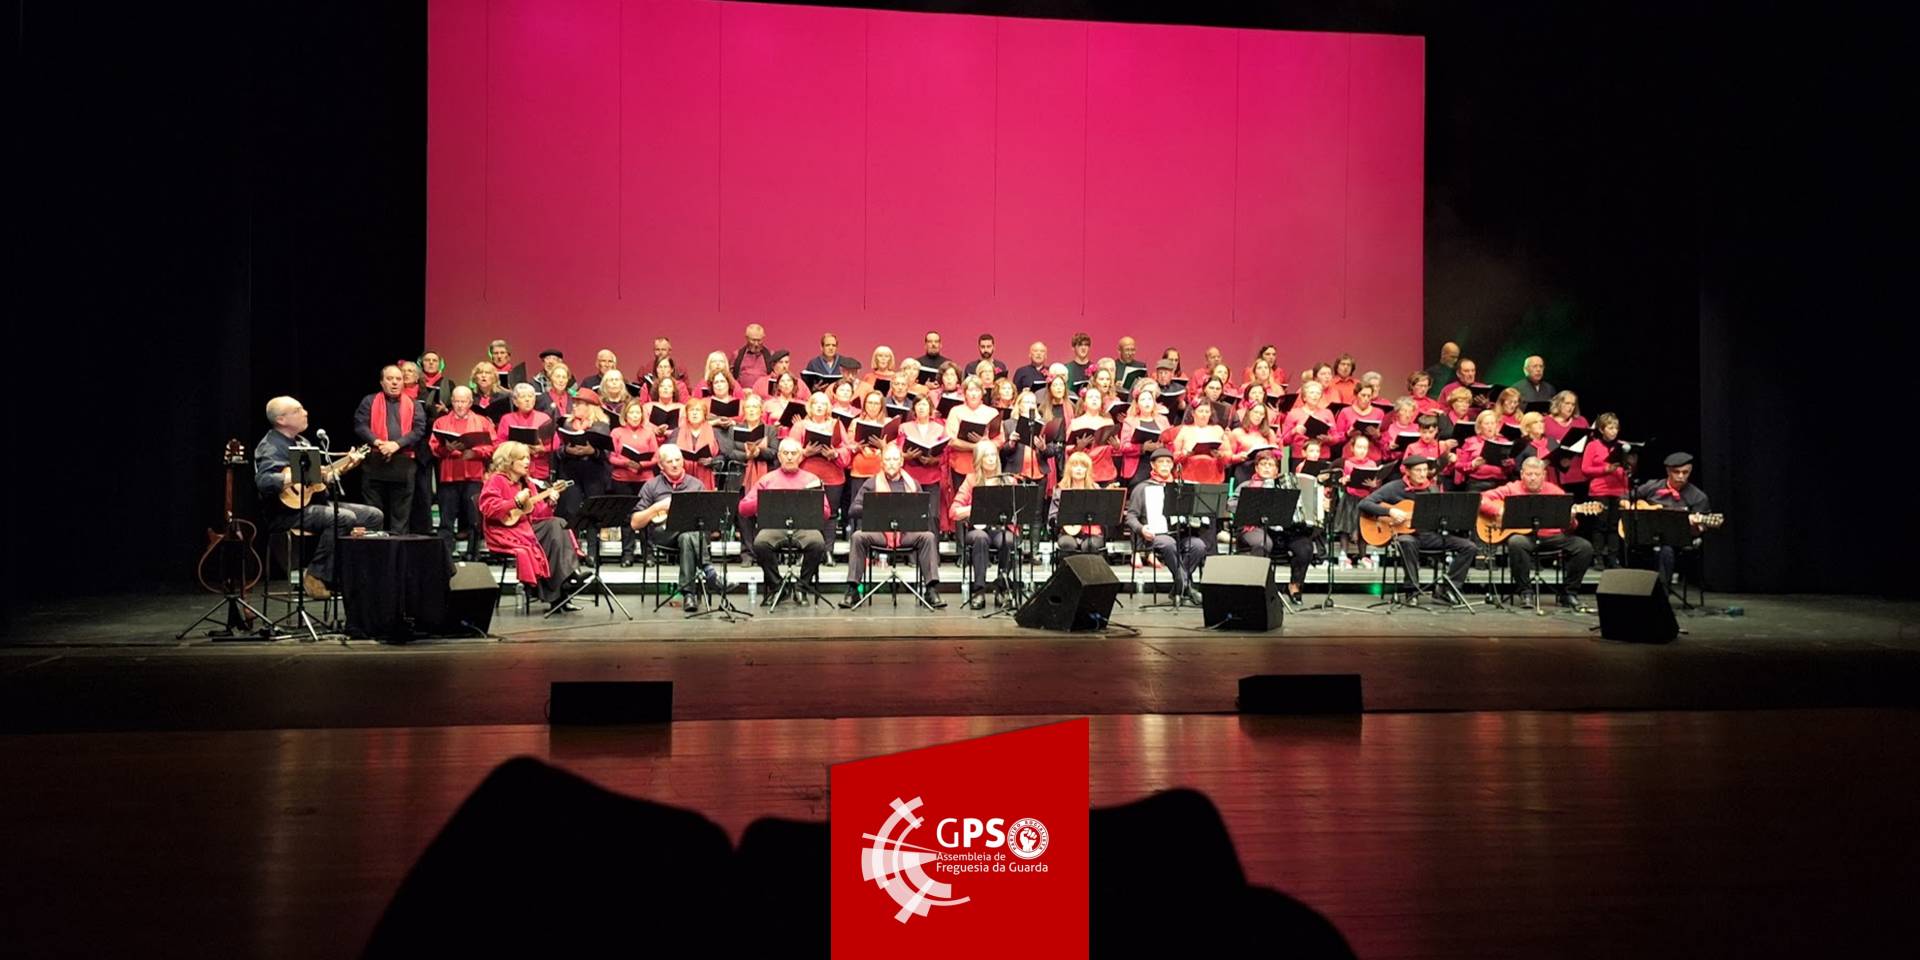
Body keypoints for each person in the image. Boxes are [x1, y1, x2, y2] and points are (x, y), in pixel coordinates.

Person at [253, 396, 380, 599]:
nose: (305, 413)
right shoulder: (271, 446)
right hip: (285, 513)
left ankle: (349, 576)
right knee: (342, 517)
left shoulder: (303, 442)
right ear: (281, 420)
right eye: (298, 410)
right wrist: (299, 474)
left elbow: (318, 481)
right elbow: (265, 481)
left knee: (373, 516)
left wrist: (346, 466)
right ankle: (315, 575)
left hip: (313, 504)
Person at [1479, 457, 1596, 612]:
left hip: (1552, 536)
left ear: (1544, 475)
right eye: (1529, 474)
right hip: (1526, 538)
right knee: (1516, 542)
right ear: (1522, 474)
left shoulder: (1555, 492)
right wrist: (1498, 510)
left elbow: (1569, 528)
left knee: (1584, 547)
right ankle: (1525, 592)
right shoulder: (1511, 488)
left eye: (1537, 474)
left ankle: (1569, 593)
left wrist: (1571, 518)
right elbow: (1481, 498)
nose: (1533, 478)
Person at [1357, 455, 1476, 605]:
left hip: (1429, 535)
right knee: (1407, 542)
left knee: (1469, 547)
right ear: (1407, 471)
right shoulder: (1394, 487)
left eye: (1425, 470)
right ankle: (1411, 590)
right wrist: (1390, 512)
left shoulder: (1432, 489)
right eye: (1418, 470)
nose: (1422, 474)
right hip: (1405, 535)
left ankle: (1447, 588)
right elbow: (1364, 504)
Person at [477, 441, 580, 612]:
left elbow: (539, 515)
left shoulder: (527, 483)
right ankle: (565, 585)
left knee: (558, 523)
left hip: (526, 528)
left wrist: (550, 502)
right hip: (505, 532)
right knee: (554, 530)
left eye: (528, 458)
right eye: (522, 458)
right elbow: (488, 509)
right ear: (509, 461)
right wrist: (515, 502)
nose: (527, 462)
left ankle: (563, 586)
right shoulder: (496, 480)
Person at [842, 443, 944, 608]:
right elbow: (853, 510)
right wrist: (877, 507)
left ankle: (931, 589)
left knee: (929, 537)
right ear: (882, 462)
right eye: (887, 459)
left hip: (906, 534)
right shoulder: (871, 483)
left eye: (895, 459)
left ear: (901, 461)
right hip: (880, 533)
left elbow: (924, 512)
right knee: (857, 537)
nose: (891, 463)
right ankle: (852, 590)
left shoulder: (913, 484)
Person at [626, 444, 724, 614]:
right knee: (688, 532)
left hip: (692, 536)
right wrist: (657, 507)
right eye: (669, 461)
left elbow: (709, 521)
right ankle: (709, 571)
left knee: (687, 536)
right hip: (663, 535)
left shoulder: (696, 485)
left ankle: (688, 595)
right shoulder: (651, 486)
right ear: (660, 465)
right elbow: (635, 523)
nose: (674, 464)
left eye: (678, 460)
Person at [737, 438, 833, 603]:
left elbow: (826, 513)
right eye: (785, 453)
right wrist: (765, 499)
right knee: (760, 543)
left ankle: (802, 587)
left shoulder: (812, 479)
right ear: (779, 457)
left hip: (804, 527)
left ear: (800, 456)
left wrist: (811, 502)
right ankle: (777, 587)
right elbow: (743, 508)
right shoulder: (767, 479)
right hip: (774, 527)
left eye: (794, 453)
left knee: (817, 543)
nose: (789, 457)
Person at [1232, 449, 1318, 603]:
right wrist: (1249, 506)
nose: (1266, 467)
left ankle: (1295, 585)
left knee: (1305, 547)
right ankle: (1262, 588)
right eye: (1263, 464)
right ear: (1256, 468)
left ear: (1276, 469)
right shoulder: (1246, 485)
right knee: (1263, 544)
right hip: (1255, 528)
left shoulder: (1286, 485)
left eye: (1270, 465)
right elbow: (1231, 504)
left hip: (1284, 530)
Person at [1126, 448, 1210, 605]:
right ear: (1153, 465)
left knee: (1198, 545)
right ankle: (1186, 586)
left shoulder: (1181, 487)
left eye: (1168, 462)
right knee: (1168, 543)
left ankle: (1178, 587)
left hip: (1180, 533)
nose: (1165, 465)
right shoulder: (1142, 488)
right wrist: (1141, 529)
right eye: (1161, 462)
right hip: (1155, 535)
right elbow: (1131, 517)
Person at [353, 364, 429, 532]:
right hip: (374, 461)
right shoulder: (369, 401)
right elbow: (360, 425)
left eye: (398, 379)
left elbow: (419, 430)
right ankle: (374, 544)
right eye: (390, 379)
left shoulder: (414, 404)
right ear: (382, 382)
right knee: (373, 513)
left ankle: (398, 546)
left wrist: (396, 444)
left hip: (403, 463)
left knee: (400, 515)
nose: (394, 382)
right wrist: (378, 442)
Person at [1630, 451, 1714, 595]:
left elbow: (1699, 531)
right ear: (1668, 471)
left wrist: (1694, 525)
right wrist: (1631, 506)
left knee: (1665, 550)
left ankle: (1661, 594)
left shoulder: (1698, 497)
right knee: (1632, 544)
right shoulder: (1653, 486)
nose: (1681, 476)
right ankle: (1635, 591)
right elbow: (1625, 498)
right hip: (1648, 536)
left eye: (1685, 472)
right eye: (1676, 472)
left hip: (1678, 540)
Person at [428, 385, 495, 560]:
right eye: (456, 401)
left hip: (473, 476)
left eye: (463, 401)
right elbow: (433, 446)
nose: (459, 405)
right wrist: (446, 448)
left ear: (470, 402)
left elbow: (493, 446)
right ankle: (445, 556)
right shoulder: (441, 422)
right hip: (449, 476)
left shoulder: (482, 422)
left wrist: (476, 452)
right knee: (446, 519)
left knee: (474, 519)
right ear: (452, 401)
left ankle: (473, 554)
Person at [950, 445, 1020, 609]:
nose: (991, 459)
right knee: (980, 538)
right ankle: (979, 591)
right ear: (979, 460)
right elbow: (954, 512)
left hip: (999, 529)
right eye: (986, 456)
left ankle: (1001, 588)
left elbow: (1018, 510)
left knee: (1008, 540)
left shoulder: (1008, 481)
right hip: (977, 529)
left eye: (993, 455)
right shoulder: (971, 480)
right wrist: (973, 508)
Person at [554, 388, 612, 548]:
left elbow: (607, 454)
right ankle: (573, 548)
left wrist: (592, 451)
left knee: (593, 510)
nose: (574, 406)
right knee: (571, 509)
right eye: (574, 403)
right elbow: (558, 450)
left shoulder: (600, 426)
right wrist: (567, 450)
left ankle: (593, 551)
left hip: (594, 471)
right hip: (571, 470)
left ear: (590, 407)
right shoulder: (567, 424)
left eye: (578, 404)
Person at [786, 392, 852, 534]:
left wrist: (834, 454)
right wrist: (805, 452)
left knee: (831, 515)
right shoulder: (800, 426)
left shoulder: (836, 424)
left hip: (833, 478)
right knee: (806, 513)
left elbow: (846, 449)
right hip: (806, 477)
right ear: (810, 406)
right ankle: (808, 545)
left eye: (823, 404)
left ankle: (828, 547)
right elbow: (788, 451)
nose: (820, 407)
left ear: (828, 407)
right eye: (816, 403)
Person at [609, 399, 658, 565]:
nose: (635, 416)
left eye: (638, 413)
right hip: (622, 480)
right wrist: (627, 463)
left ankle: (648, 554)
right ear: (625, 415)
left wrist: (641, 464)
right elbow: (611, 457)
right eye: (632, 412)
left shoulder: (649, 433)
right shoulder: (617, 432)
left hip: (645, 480)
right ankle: (627, 554)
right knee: (626, 518)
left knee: (647, 516)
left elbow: (656, 457)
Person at [1581, 412, 1632, 566]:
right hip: (1600, 490)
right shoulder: (1593, 445)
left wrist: (1629, 469)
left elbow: (1627, 469)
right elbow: (1585, 469)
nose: (1614, 431)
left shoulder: (1623, 446)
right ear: (1602, 429)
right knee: (1600, 524)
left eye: (1616, 428)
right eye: (1610, 428)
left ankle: (1612, 557)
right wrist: (1605, 469)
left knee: (1614, 525)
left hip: (1618, 490)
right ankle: (1598, 556)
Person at [494, 383, 558, 481]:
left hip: (540, 469)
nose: (527, 400)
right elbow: (499, 444)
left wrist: (543, 449)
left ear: (534, 400)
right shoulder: (507, 419)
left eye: (530, 396)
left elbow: (556, 442)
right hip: (514, 471)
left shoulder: (544, 418)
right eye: (523, 397)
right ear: (515, 401)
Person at [1050, 451, 1107, 558]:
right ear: (1069, 469)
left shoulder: (1095, 489)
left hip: (1091, 533)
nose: (1079, 469)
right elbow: (1052, 516)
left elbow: (1103, 515)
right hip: (1068, 533)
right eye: (1075, 466)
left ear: (1087, 470)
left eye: (1083, 466)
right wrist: (1060, 521)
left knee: (1090, 546)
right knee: (1067, 544)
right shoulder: (1060, 490)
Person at [1450, 409, 1512, 493]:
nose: (1490, 426)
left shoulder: (1504, 442)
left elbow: (1512, 465)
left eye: (1493, 423)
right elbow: (1458, 465)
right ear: (1480, 426)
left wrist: (1508, 463)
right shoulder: (1471, 441)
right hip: (1477, 483)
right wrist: (1473, 464)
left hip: (1500, 483)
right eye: (1487, 424)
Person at [1174, 398, 1228, 484]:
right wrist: (1185, 454)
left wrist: (1220, 455)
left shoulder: (1218, 429)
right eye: (1201, 411)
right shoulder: (1184, 430)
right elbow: (1174, 456)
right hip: (1188, 476)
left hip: (1213, 476)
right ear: (1193, 413)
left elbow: (1228, 454)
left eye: (1207, 412)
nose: (1204, 415)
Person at [731, 323, 774, 388]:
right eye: (753, 340)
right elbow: (731, 378)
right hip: (742, 393)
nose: (756, 344)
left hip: (764, 393)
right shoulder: (737, 355)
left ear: (763, 338)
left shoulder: (771, 356)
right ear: (746, 338)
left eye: (759, 340)